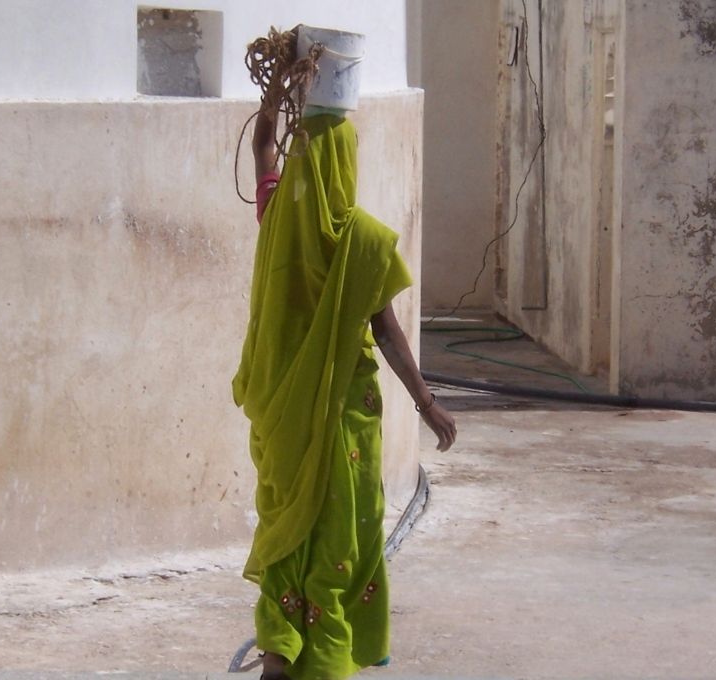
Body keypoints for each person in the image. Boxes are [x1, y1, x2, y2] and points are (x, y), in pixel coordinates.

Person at [232, 31, 456, 680]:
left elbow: (262, 143)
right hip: (344, 417)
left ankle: (279, 650)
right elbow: (386, 332)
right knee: (336, 535)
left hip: (284, 418)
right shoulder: (360, 242)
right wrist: (429, 404)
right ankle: (324, 662)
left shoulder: (277, 213)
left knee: (286, 524)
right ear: (348, 164)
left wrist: (281, 87)